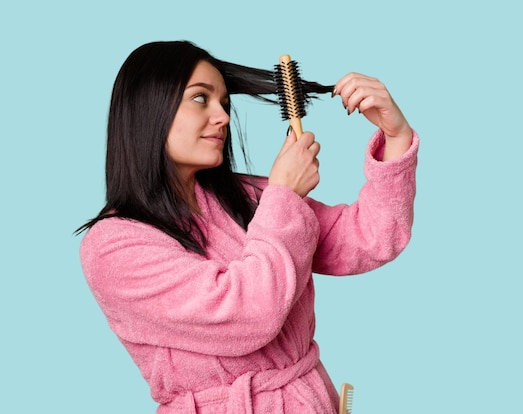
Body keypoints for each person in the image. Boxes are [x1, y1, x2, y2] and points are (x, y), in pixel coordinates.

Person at [77, 40, 418, 413]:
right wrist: (285, 195)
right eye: (200, 98)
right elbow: (249, 314)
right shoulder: (114, 246)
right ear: (148, 107)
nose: (223, 117)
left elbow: (371, 238)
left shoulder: (250, 197)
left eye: (224, 103)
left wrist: (396, 137)